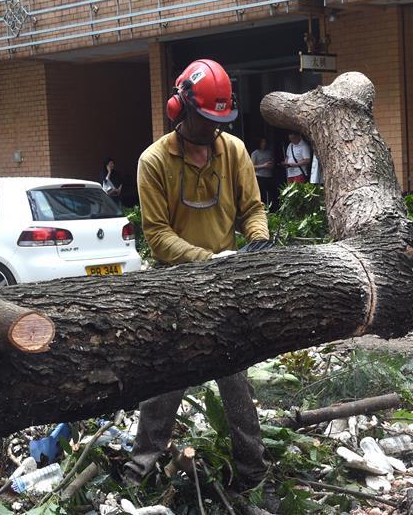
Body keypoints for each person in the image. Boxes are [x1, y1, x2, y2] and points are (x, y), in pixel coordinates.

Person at [125, 59, 273, 497]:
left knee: (237, 385)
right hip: (175, 287)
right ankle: (141, 470)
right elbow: (157, 237)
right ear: (180, 109)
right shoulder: (153, 162)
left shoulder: (234, 151)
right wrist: (209, 260)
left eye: (219, 121)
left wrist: (259, 241)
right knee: (165, 384)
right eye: (206, 119)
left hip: (225, 285)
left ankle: (254, 474)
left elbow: (252, 209)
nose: (213, 129)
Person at [250, 137, 276, 205]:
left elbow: (272, 162)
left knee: (271, 194)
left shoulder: (269, 152)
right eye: (262, 142)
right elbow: (252, 166)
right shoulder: (255, 153)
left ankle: (272, 209)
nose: (264, 144)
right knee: (261, 194)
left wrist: (271, 165)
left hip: (269, 175)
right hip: (259, 176)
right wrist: (263, 165)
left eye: (265, 142)